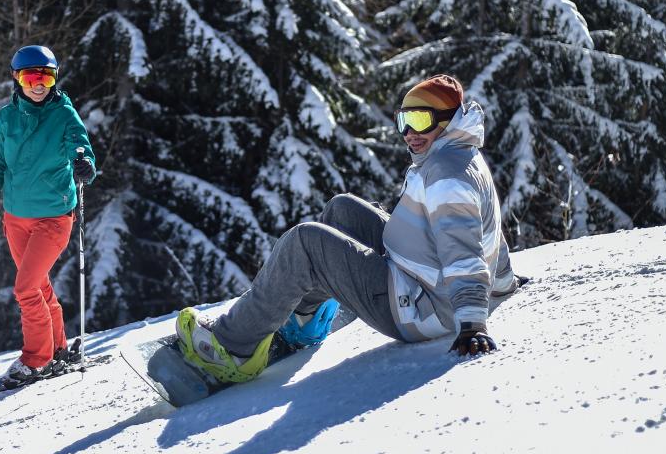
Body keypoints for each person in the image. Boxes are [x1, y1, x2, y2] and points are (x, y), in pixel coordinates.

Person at [176, 74, 525, 383]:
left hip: (419, 309)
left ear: (448, 121)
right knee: (342, 208)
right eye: (403, 120)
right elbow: (488, 230)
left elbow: (462, 249)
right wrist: (504, 281)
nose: (408, 133)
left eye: (419, 120)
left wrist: (473, 324)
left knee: (305, 242)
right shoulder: (460, 154)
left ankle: (231, 347)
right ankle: (303, 319)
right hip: (420, 280)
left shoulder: (447, 176)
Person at [0, 45, 97, 388]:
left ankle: (35, 359)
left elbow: (80, 147)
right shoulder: (6, 118)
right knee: (38, 286)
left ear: (54, 79)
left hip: (53, 217)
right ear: (16, 78)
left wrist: (84, 164)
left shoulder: (65, 115)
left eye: (46, 76)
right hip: (15, 219)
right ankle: (57, 348)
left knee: (24, 288)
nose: (38, 84)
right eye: (30, 76)